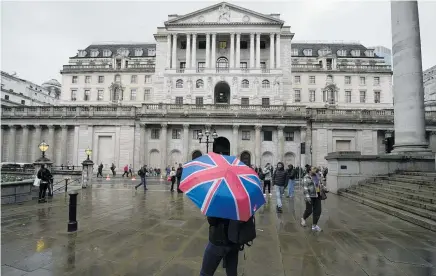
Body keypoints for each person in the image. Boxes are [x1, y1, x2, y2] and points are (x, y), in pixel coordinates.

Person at [301, 166, 324, 232]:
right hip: (310, 196)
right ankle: (303, 218)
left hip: (317, 195)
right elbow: (305, 188)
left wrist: (323, 187)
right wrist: (307, 197)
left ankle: (314, 225)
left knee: (318, 211)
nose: (315, 169)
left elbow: (319, 184)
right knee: (309, 210)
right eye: (313, 169)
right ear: (309, 171)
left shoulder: (317, 176)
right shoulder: (306, 178)